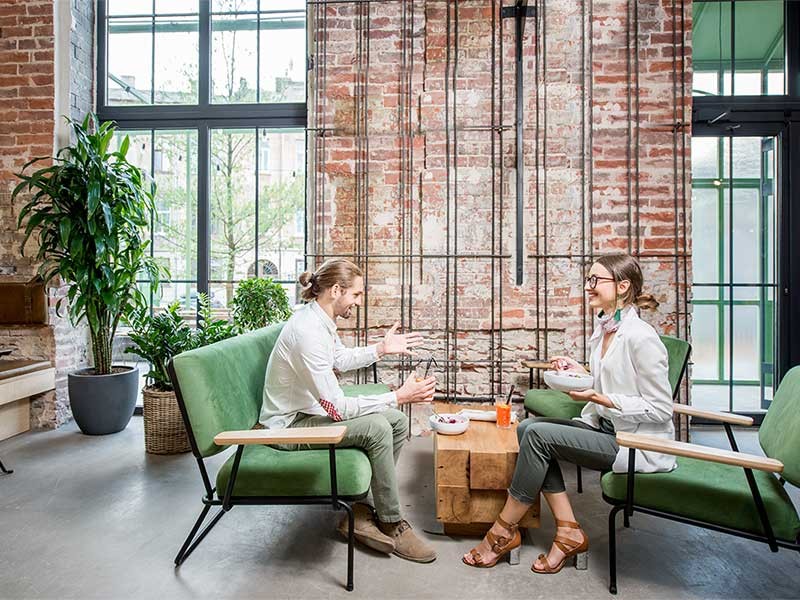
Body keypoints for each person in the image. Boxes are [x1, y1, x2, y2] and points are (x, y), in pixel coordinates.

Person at [462, 253, 677, 573]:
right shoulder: (606, 328)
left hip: (634, 443)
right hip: (605, 427)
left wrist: (601, 398)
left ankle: (503, 530)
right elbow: (615, 377)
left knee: (536, 435)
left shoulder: (641, 337)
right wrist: (581, 371)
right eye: (588, 279)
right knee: (528, 429)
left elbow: (661, 409)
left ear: (622, 287)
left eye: (595, 280)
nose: (588, 286)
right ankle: (568, 531)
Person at [260, 258, 438, 563]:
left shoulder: (320, 319)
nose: (357, 302)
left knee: (395, 421)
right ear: (336, 290)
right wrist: (398, 395)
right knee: (378, 427)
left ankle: (362, 510)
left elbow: (339, 359)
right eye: (355, 295)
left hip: (308, 411)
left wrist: (381, 349)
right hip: (288, 426)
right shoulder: (308, 332)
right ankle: (391, 522)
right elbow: (338, 409)